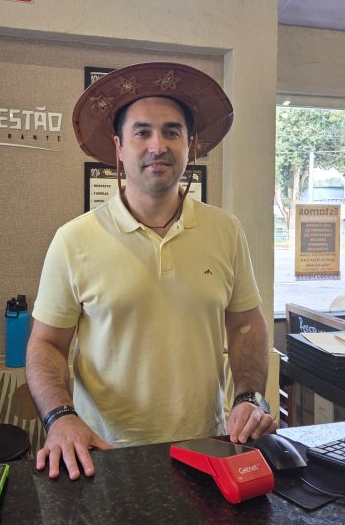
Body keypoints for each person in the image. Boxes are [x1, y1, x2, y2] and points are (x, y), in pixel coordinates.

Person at [26, 62, 277, 480]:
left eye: (172, 132)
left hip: (208, 444)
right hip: (105, 454)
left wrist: (249, 396)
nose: (157, 145)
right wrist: (60, 417)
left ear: (191, 146)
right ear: (119, 147)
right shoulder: (74, 240)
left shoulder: (225, 230)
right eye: (141, 132)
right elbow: (46, 345)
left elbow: (246, 324)